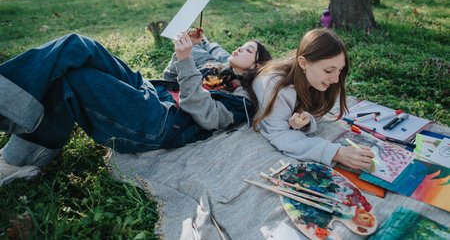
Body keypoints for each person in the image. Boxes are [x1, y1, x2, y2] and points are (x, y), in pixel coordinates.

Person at [0, 30, 272, 186]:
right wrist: (184, 54)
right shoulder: (217, 70)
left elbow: (205, 115)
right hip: (149, 92)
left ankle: (20, 158)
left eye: (248, 50)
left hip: (158, 122)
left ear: (258, 66)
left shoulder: (242, 101)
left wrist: (187, 61)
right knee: (79, 45)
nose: (238, 49)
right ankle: (8, 104)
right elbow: (171, 76)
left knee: (75, 79)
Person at [252, 28, 375, 170]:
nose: (336, 79)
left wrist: (305, 119)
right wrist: (336, 153)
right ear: (303, 63)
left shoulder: (309, 75)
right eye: (329, 71)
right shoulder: (274, 86)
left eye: (340, 70)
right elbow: (279, 135)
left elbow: (302, 111)